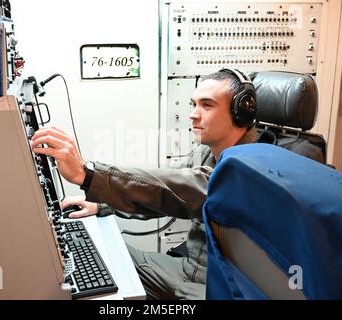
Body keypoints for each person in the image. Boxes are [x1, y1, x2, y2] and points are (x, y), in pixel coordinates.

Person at [31, 69, 258, 300]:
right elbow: (159, 192)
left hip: (220, 286)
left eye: (207, 105)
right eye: (194, 104)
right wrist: (102, 205)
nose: (193, 114)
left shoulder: (253, 166)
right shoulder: (205, 152)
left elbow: (184, 190)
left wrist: (88, 174)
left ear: (241, 113)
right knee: (109, 259)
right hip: (187, 268)